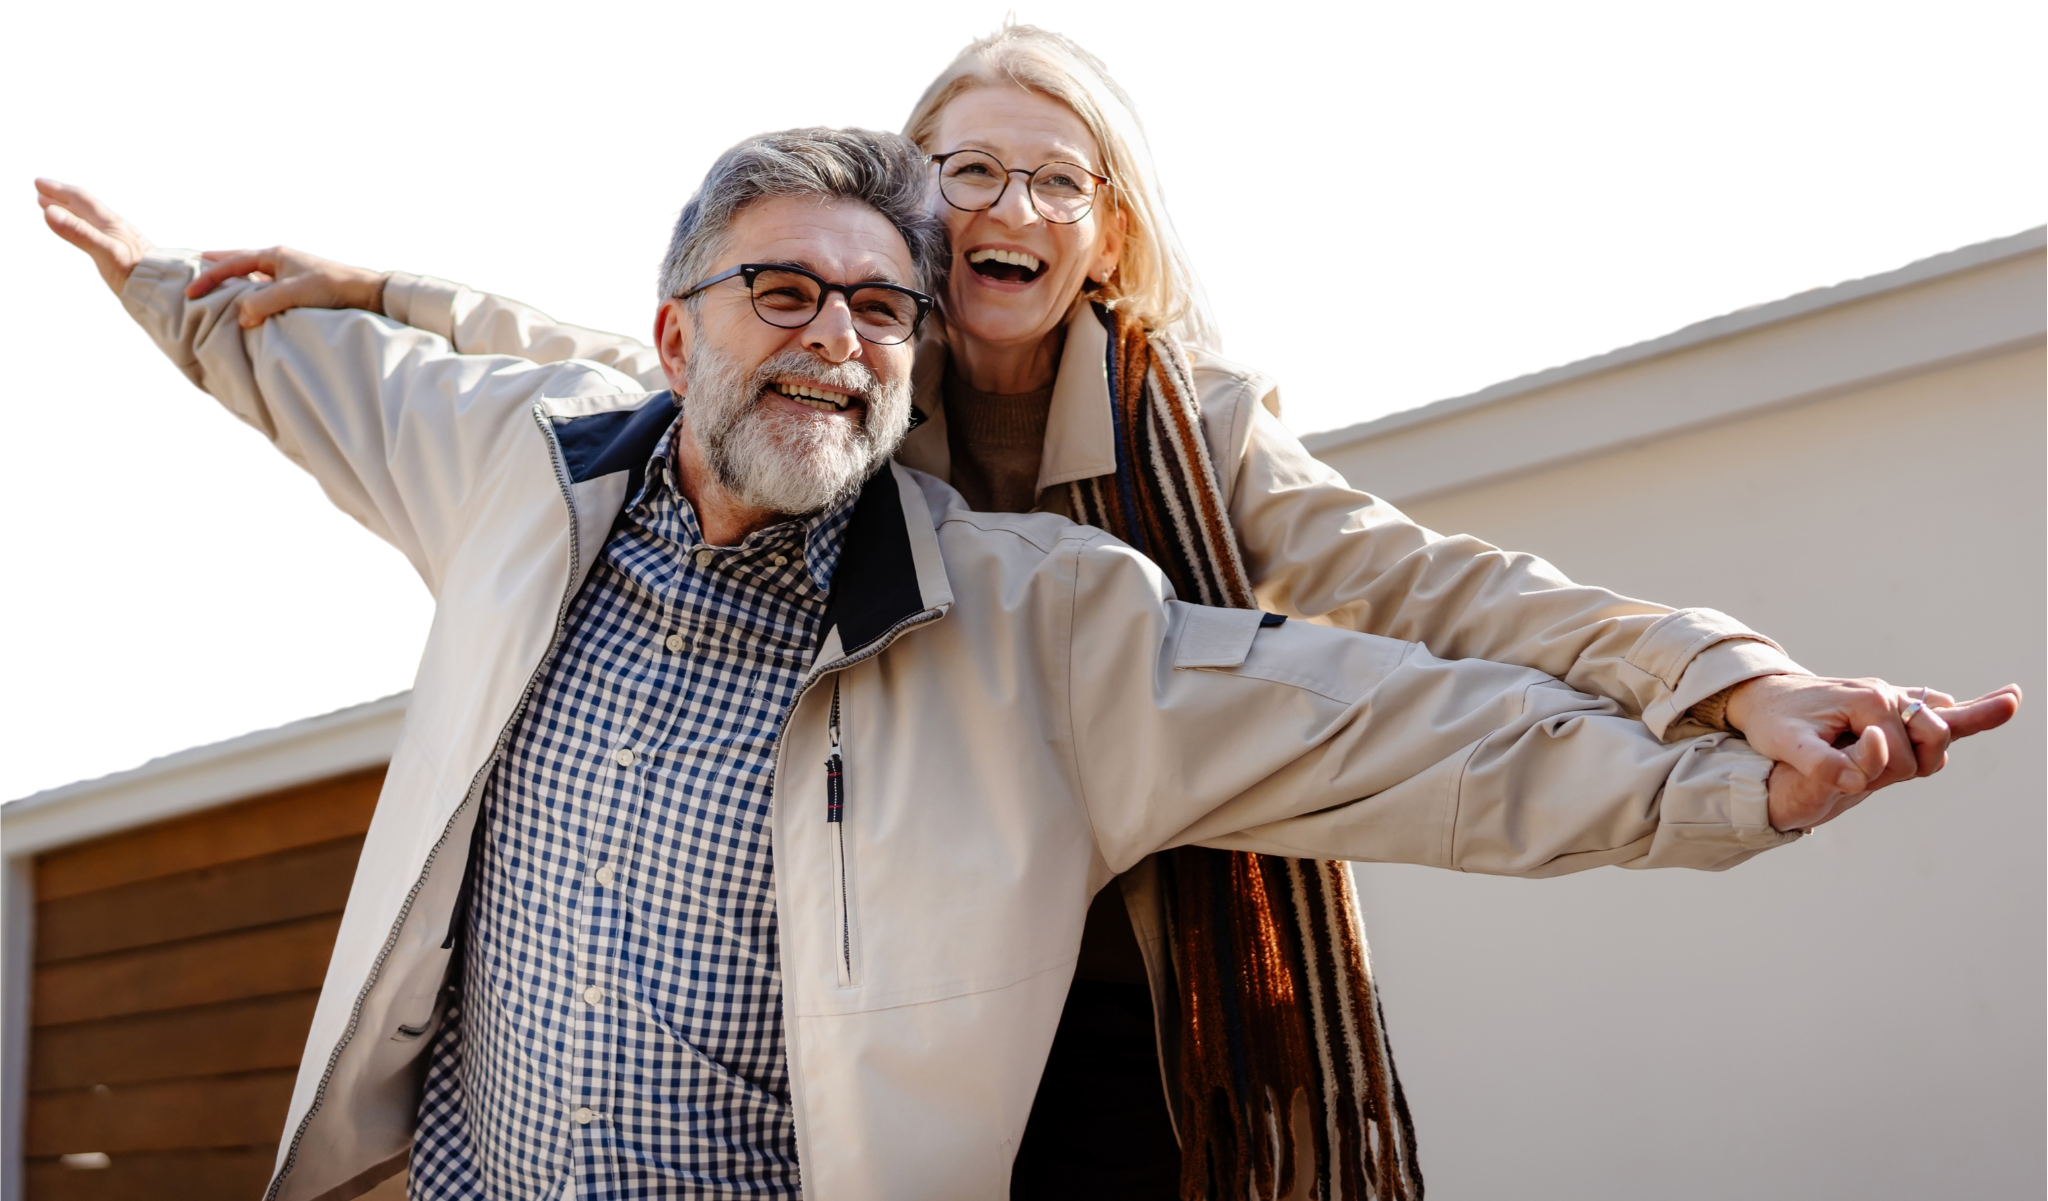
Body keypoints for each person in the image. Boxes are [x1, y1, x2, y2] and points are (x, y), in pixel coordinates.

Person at [154, 19, 2027, 1198]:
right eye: (968, 164)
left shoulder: (1186, 449)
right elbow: (612, 364)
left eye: (1059, 174)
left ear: (1105, 232)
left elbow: (1433, 612)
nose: (1008, 201)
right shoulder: (820, 368)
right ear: (911, 203)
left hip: (1141, 975)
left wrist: (1723, 691)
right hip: (871, 947)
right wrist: (382, 294)